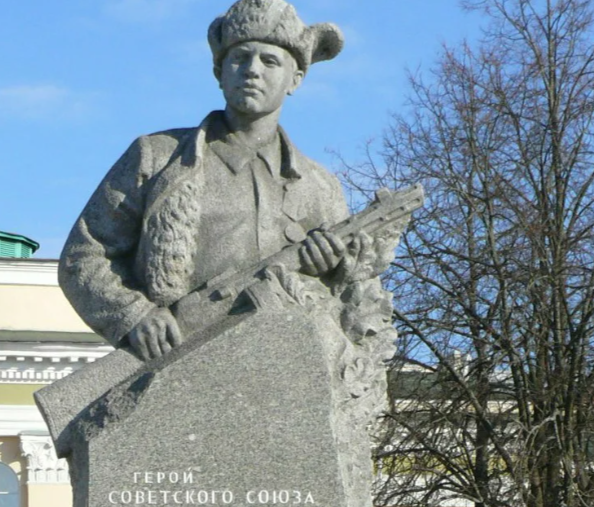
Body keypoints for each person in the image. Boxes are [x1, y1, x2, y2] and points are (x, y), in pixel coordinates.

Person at [59, 0, 393, 362]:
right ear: (220, 73)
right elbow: (84, 254)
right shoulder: (156, 156)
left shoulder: (321, 188)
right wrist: (134, 314)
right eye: (239, 58)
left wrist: (331, 271)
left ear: (295, 79)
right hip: (178, 362)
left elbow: (347, 302)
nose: (252, 70)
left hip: (287, 371)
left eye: (269, 61)